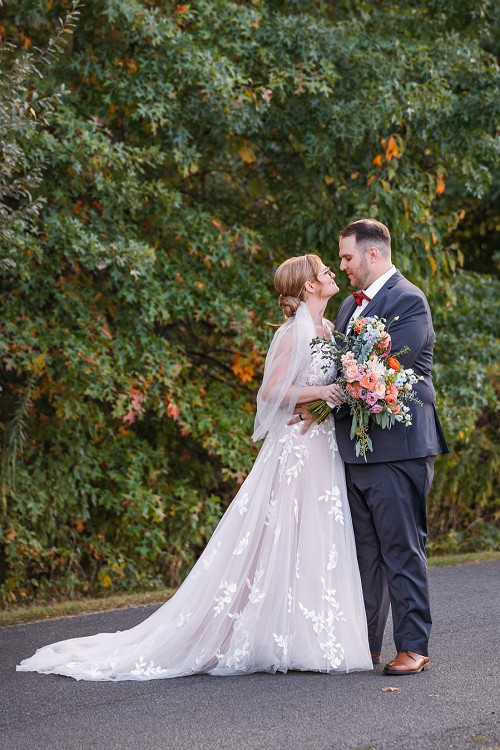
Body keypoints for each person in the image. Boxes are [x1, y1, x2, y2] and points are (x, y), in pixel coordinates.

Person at [17, 254, 373, 681]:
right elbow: (273, 391)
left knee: (315, 537)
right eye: (324, 270)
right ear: (308, 286)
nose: (333, 272)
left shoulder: (330, 330)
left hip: (321, 446)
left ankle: (308, 638)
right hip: (295, 451)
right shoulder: (288, 334)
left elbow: (316, 394)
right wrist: (327, 391)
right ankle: (267, 636)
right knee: (278, 537)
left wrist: (329, 401)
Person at [293, 219, 448, 676]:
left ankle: (413, 646)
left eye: (346, 257)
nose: (342, 265)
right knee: (363, 554)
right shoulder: (346, 308)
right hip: (354, 452)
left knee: (401, 549)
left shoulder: (409, 302)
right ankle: (364, 644)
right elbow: (340, 371)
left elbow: (379, 372)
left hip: (399, 451)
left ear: (373, 255)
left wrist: (320, 401)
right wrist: (314, 405)